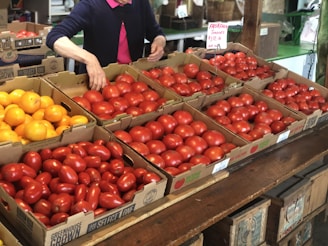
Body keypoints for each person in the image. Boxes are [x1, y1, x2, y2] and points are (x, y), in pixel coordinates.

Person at [46, 0, 166, 91]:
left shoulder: (140, 3)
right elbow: (55, 37)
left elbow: (156, 32)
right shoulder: (90, 5)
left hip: (132, 80)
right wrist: (89, 58)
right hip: (98, 81)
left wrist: (159, 42)